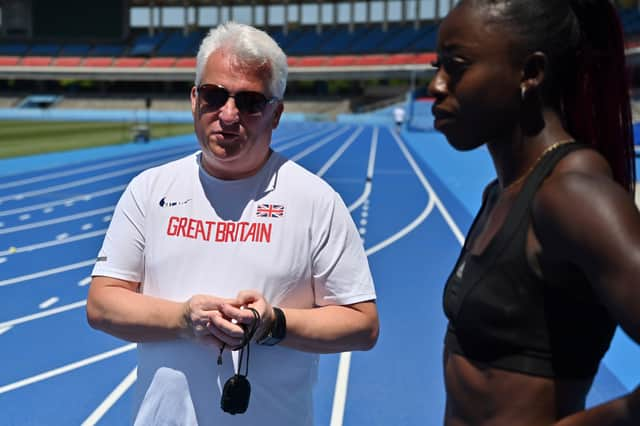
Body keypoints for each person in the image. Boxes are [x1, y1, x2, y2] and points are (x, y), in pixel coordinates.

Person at [87, 22, 378, 425]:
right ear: (194, 99)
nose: (228, 114)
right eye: (214, 95)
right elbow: (102, 304)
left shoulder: (315, 201)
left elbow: (362, 324)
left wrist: (275, 324)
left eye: (250, 102)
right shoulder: (149, 190)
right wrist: (183, 319)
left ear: (275, 113)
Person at [428, 1, 640, 424]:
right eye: (439, 65)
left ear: (531, 73)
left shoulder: (572, 196)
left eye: (457, 66)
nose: (436, 85)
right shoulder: (501, 193)